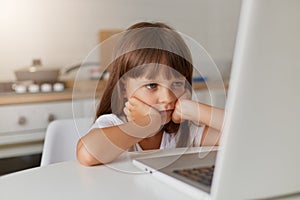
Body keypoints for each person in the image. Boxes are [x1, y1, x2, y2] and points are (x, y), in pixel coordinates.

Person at [76, 22, 224, 166]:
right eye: (151, 85)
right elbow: (88, 155)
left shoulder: (184, 133)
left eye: (177, 84)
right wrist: (146, 125)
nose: (167, 98)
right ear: (122, 89)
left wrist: (192, 109)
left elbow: (243, 135)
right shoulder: (115, 123)